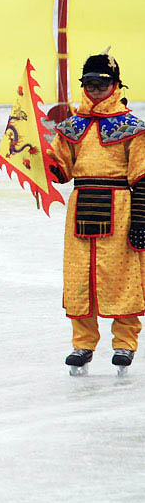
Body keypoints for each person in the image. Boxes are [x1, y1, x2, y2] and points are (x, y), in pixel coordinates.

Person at [49, 49, 145, 376]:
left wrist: (141, 220)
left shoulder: (133, 127)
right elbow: (61, 170)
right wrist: (41, 163)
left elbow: (143, 176)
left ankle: (124, 343)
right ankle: (83, 344)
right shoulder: (72, 126)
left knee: (122, 278)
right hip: (81, 208)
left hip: (119, 209)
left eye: (101, 83)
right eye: (89, 83)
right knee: (80, 280)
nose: (94, 89)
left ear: (116, 85)